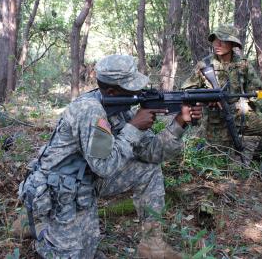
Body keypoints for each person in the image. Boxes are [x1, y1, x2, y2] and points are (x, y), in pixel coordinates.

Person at [18, 54, 203, 258]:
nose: (138, 92)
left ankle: (152, 244)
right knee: (75, 254)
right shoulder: (89, 110)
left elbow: (153, 153)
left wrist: (179, 123)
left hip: (87, 180)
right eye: (131, 87)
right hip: (60, 188)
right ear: (112, 91)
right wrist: (133, 128)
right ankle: (38, 225)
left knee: (148, 170)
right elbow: (104, 167)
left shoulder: (119, 108)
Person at [182, 24, 262, 179]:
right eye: (215, 40)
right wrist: (207, 97)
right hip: (216, 122)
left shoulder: (242, 64)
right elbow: (186, 90)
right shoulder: (205, 65)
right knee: (220, 174)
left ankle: (256, 168)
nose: (217, 44)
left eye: (222, 41)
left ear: (232, 44)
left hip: (240, 115)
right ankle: (204, 149)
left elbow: (259, 92)